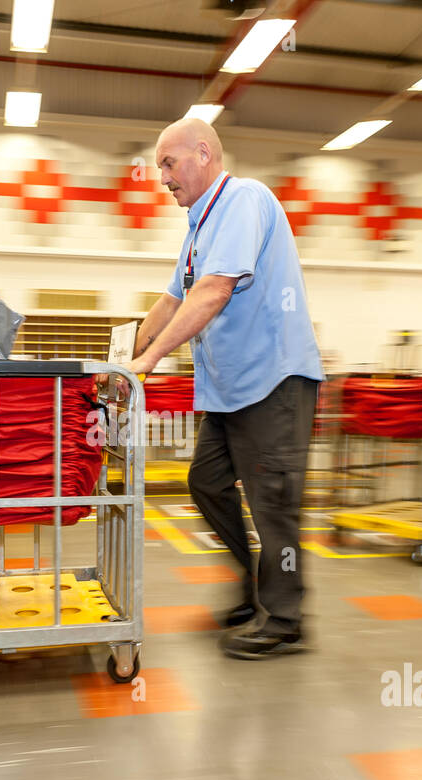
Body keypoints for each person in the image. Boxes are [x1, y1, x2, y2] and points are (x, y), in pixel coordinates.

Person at [124, 118, 324, 660]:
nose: (162, 176)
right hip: (230, 391)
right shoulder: (197, 228)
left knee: (272, 505)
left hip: (273, 381)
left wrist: (150, 361)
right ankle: (254, 585)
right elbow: (172, 300)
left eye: (169, 163)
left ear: (204, 153)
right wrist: (123, 358)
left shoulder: (244, 200)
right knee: (207, 484)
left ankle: (285, 620)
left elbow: (212, 293)